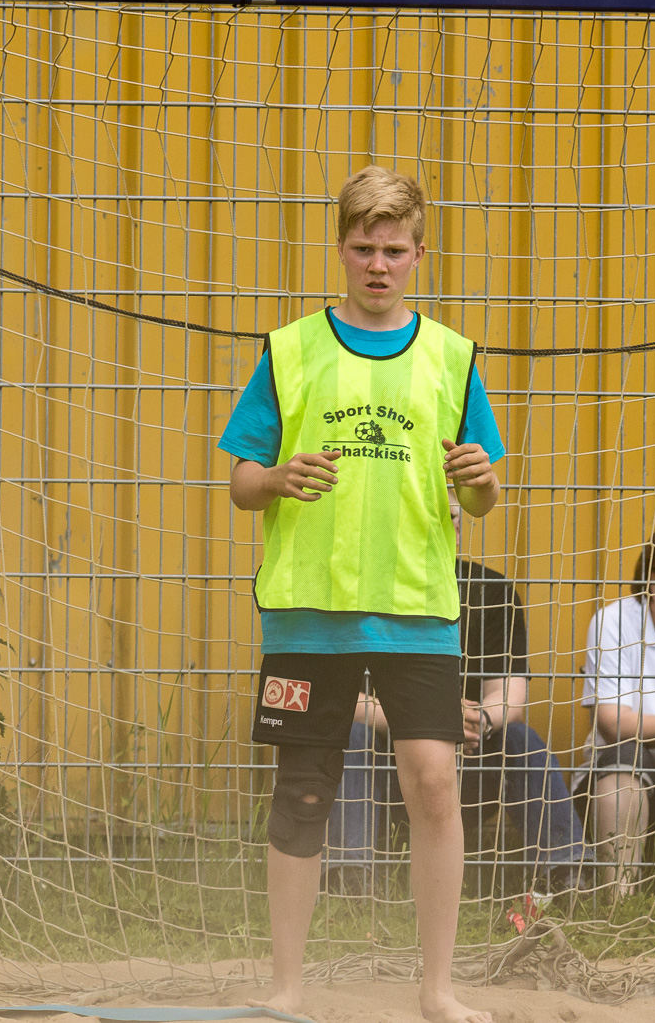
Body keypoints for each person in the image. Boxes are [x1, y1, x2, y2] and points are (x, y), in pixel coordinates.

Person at [220, 165, 500, 1023]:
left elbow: (483, 496)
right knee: (305, 788)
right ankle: (286, 987)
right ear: (340, 248)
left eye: (394, 249)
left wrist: (481, 479)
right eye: (362, 247)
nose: (378, 264)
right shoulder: (291, 348)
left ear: (420, 254)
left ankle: (437, 987)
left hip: (417, 608)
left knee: (434, 782)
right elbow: (238, 479)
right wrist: (272, 475)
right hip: (310, 609)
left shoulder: (452, 357)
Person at [326, 498, 589, 898]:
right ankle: (350, 881)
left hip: (467, 762)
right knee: (352, 736)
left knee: (520, 739)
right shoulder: (359, 589)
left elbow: (511, 695)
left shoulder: (493, 591)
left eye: (450, 514)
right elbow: (342, 698)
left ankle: (568, 876)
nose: (444, 524)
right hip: (388, 764)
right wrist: (428, 722)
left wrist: (478, 720)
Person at [574, 527, 655, 895]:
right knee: (624, 763)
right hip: (631, 765)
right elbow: (613, 723)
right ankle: (621, 903)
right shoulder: (614, 622)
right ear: (650, 579)